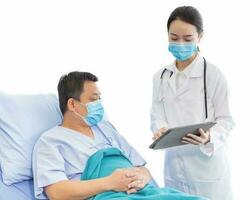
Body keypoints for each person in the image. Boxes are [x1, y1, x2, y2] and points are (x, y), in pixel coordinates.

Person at [32, 71, 206, 200]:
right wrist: (110, 183)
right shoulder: (50, 141)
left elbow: (139, 167)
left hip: (142, 192)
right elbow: (56, 192)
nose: (99, 104)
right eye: (93, 99)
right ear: (72, 104)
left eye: (100, 99)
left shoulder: (106, 129)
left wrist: (143, 176)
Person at [150, 6, 235, 200]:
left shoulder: (213, 75)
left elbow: (226, 120)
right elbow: (156, 114)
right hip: (175, 167)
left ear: (200, 37)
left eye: (187, 39)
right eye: (173, 38)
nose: (180, 43)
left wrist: (209, 137)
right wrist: (161, 129)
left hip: (207, 168)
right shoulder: (160, 77)